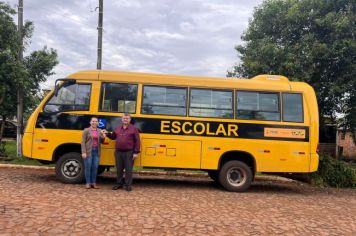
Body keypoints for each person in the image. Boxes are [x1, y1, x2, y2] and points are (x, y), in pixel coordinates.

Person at [104, 113, 140, 191]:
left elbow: (137, 141)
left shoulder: (134, 129)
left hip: (129, 152)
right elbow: (113, 137)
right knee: (119, 169)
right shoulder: (117, 128)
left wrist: (136, 152)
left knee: (128, 169)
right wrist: (107, 134)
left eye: (127, 118)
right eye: (124, 118)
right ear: (122, 119)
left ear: (130, 120)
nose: (125, 120)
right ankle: (119, 183)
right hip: (118, 152)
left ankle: (128, 185)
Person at [81, 117, 106, 189]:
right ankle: (88, 183)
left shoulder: (99, 130)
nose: (94, 122)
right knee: (88, 167)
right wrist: (83, 152)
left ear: (98, 123)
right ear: (90, 122)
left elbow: (102, 141)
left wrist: (104, 137)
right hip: (89, 151)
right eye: (93, 121)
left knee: (95, 167)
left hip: (96, 151)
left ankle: (93, 183)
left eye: (96, 121)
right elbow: (83, 142)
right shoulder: (86, 130)